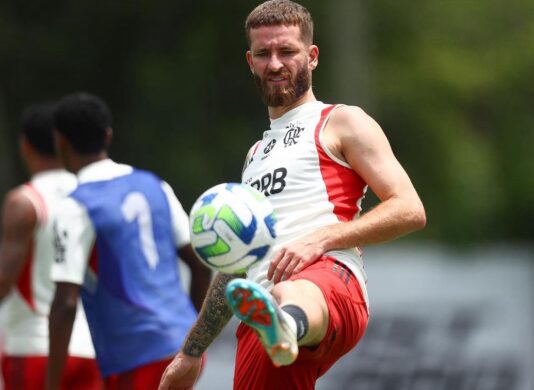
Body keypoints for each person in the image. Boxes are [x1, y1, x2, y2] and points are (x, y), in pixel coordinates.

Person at [159, 0, 426, 389]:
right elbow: (236, 266)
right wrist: (191, 351)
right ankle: (279, 327)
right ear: (250, 61)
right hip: (259, 318)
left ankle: (287, 323)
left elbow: (410, 208)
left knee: (288, 291)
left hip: (328, 283)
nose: (275, 63)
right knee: (272, 299)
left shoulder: (340, 121)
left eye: (287, 51)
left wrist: (321, 238)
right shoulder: (254, 156)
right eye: (264, 53)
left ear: (312, 56)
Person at [45, 92, 212, 390]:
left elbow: (65, 304)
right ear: (108, 136)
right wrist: (193, 338)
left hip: (136, 356)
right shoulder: (154, 184)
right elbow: (200, 265)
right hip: (183, 348)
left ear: (60, 142)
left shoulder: (75, 205)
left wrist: (51, 384)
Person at [0, 103, 102, 389]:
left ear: (25, 146)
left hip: (32, 348)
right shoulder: (91, 195)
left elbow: (5, 282)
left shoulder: (24, 201)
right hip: (89, 350)